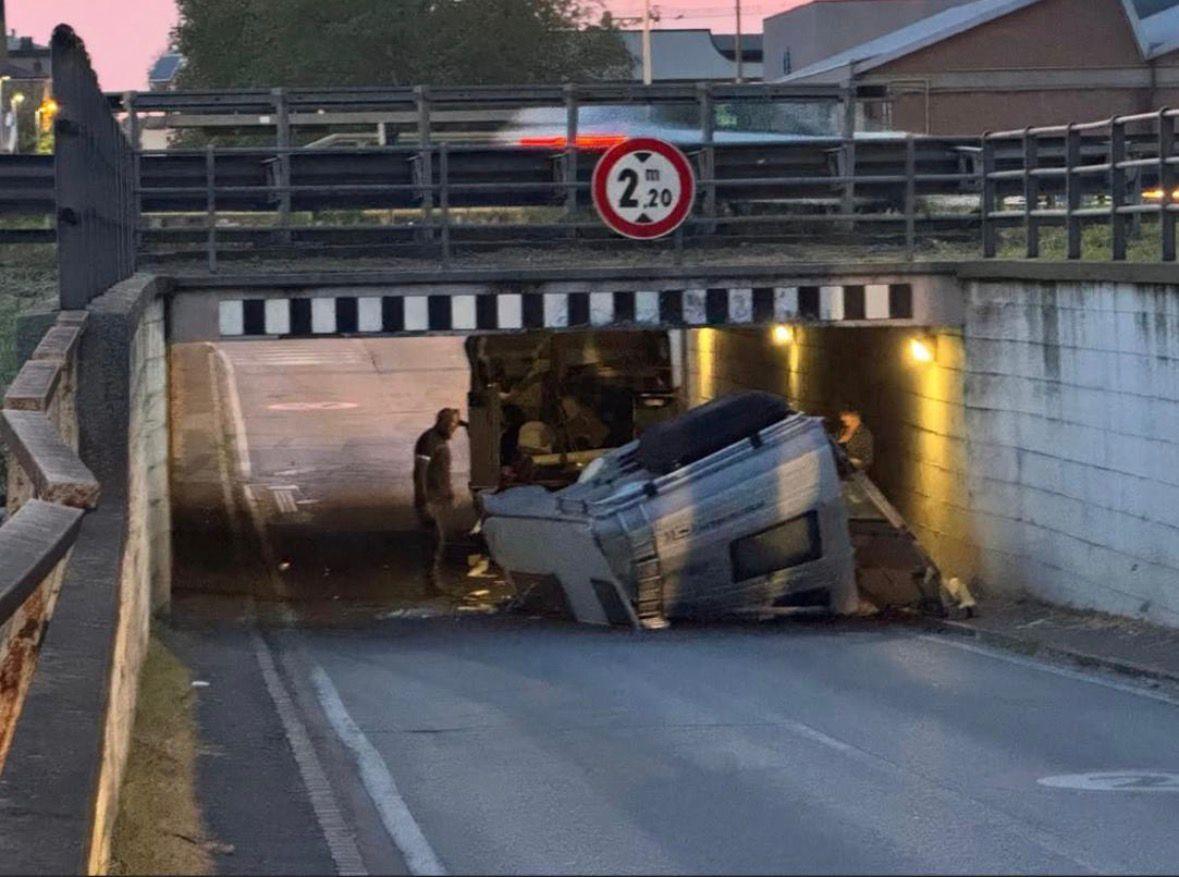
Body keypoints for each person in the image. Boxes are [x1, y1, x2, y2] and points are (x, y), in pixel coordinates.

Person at [413, 408, 465, 588]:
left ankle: (434, 581)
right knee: (434, 540)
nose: (453, 428)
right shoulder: (430, 440)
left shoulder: (441, 439)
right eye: (450, 424)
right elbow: (419, 472)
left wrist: (449, 494)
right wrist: (422, 501)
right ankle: (430, 583)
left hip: (440, 498)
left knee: (440, 541)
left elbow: (442, 472)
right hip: (431, 500)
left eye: (456, 425)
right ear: (440, 421)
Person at [837, 405, 875, 473]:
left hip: (855, 474)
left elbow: (867, 461)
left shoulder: (864, 434)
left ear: (855, 416)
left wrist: (849, 461)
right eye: (841, 415)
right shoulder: (842, 431)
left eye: (845, 415)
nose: (841, 418)